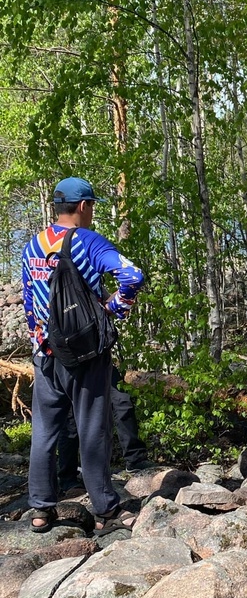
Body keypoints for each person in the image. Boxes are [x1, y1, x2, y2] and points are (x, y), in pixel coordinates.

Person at [22, 176, 145, 534]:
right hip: (85, 351)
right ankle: (106, 509)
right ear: (82, 206)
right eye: (91, 205)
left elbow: (30, 300)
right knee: (93, 429)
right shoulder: (87, 241)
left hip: (46, 353)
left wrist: (39, 340)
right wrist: (113, 308)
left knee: (45, 432)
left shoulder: (34, 245)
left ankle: (41, 509)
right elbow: (132, 275)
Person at [57, 363, 153, 497]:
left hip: (100, 360)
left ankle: (135, 460)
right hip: (70, 363)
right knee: (71, 421)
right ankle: (68, 478)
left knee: (123, 403)